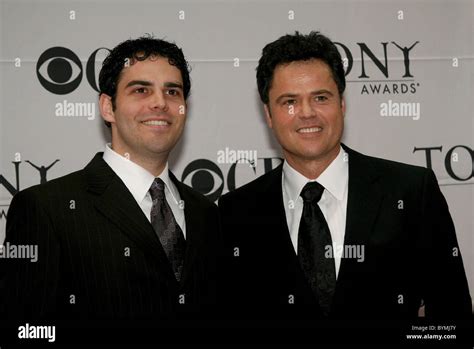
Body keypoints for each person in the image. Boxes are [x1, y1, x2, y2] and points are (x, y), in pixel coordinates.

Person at [219, 31, 471, 330]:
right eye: (289, 101)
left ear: (342, 104)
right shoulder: (236, 211)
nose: (307, 113)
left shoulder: (411, 191)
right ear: (269, 115)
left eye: (321, 97)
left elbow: (452, 320)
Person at [0, 36, 220, 330]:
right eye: (141, 90)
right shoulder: (46, 209)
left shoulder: (206, 212)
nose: (160, 103)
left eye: (172, 91)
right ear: (107, 107)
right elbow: (26, 332)